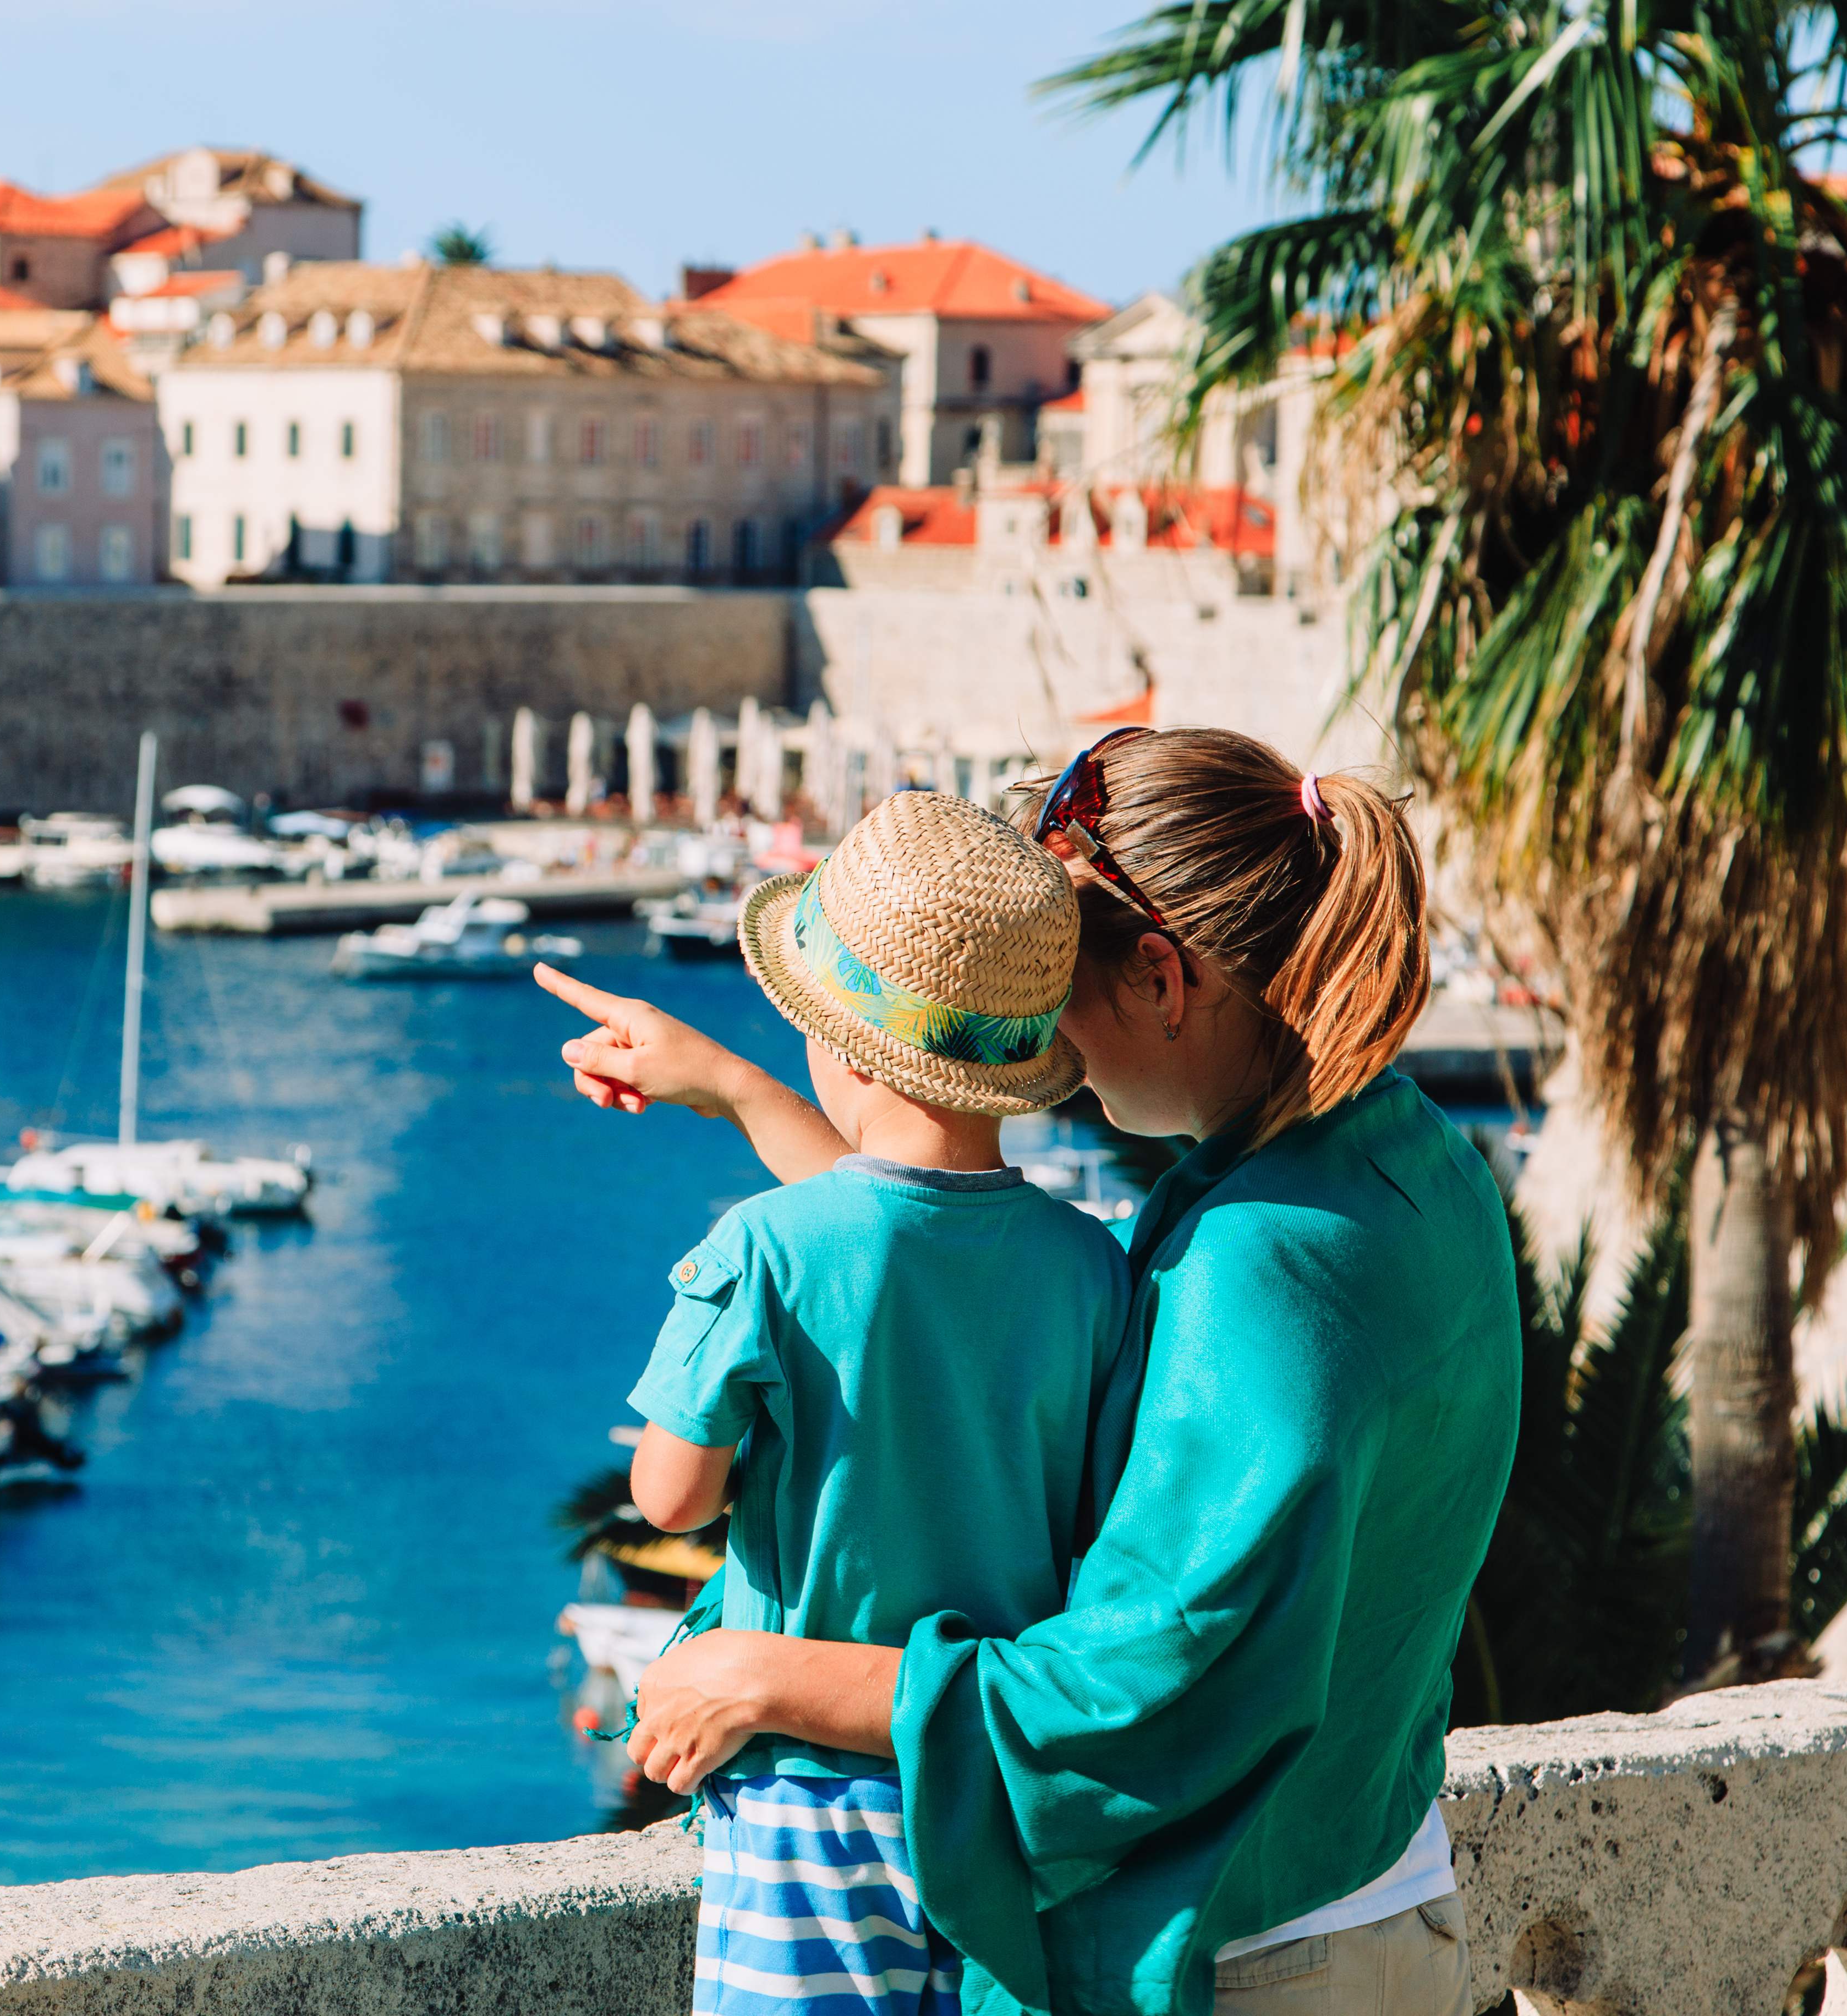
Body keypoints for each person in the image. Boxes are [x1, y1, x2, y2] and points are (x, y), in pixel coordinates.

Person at [539, 728, 1522, 2016]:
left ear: (1164, 976)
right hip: (1378, 1882)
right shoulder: (1411, 1165)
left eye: (1065, 978)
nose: (1043, 1034)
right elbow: (953, 1268)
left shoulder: (1254, 1265)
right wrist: (735, 1090)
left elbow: (1130, 1691)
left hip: (1246, 1950)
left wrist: (766, 1674)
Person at [600, 788, 1132, 2016]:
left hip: (806, 1802)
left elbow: (668, 1493)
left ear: (833, 1040)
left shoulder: (767, 1247)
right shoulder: (1091, 1263)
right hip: (989, 1786)